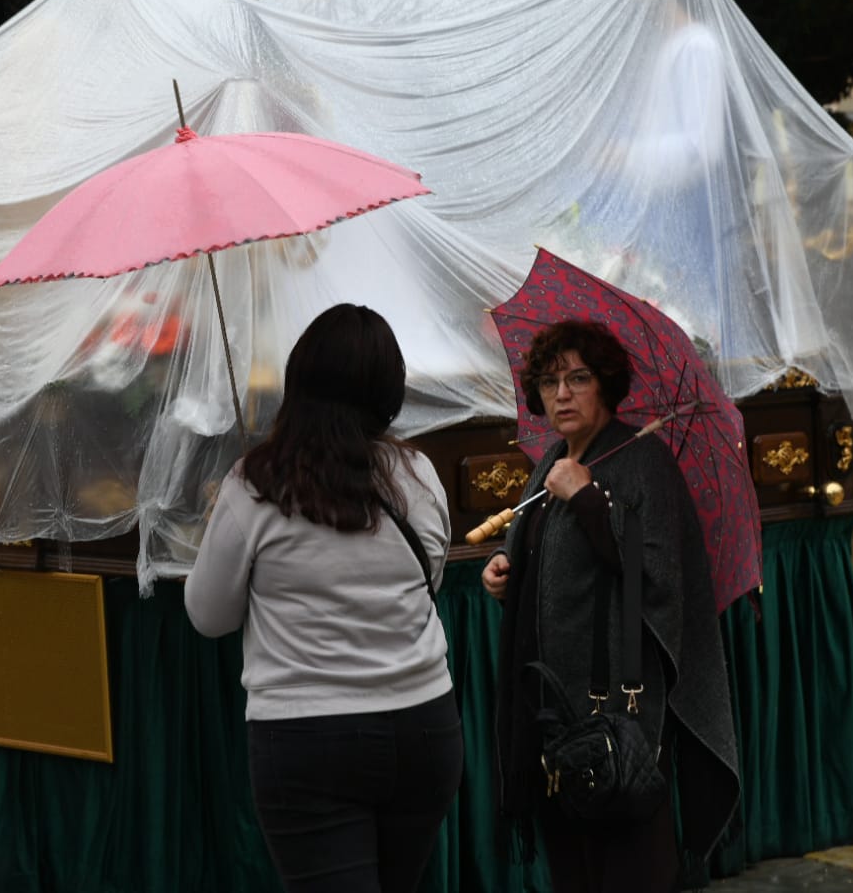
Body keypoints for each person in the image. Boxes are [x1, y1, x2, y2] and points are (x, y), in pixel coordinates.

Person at [185, 303, 462, 893]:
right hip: (424, 728)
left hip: (307, 741)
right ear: (390, 388)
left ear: (299, 381)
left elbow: (208, 617)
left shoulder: (254, 484)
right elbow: (428, 581)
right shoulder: (420, 475)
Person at [480, 320, 738, 892]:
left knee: (627, 868)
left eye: (579, 378)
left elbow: (657, 580)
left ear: (607, 385)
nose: (562, 394)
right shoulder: (550, 462)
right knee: (573, 866)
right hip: (552, 707)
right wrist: (507, 574)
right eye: (550, 382)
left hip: (619, 713)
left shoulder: (643, 462)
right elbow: (546, 562)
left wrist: (591, 500)